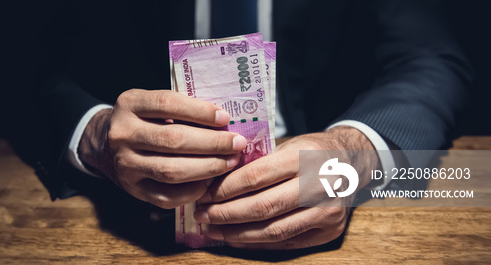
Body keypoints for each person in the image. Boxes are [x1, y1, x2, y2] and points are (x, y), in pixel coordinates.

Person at [23, 0, 472, 250]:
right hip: (142, 215)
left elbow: (430, 59)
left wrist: (353, 149)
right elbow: (34, 68)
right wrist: (98, 135)